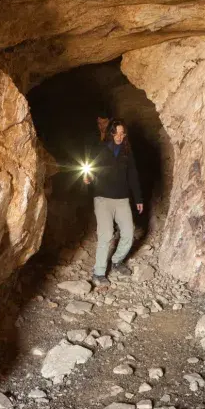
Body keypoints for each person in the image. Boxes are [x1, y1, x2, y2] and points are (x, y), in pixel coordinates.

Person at [83, 119, 143, 285]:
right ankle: (99, 273)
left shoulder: (127, 152)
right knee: (106, 234)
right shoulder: (100, 149)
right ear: (110, 133)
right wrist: (88, 180)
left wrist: (138, 198)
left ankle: (117, 261)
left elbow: (133, 175)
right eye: (116, 133)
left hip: (122, 199)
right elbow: (90, 169)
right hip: (102, 198)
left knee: (129, 234)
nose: (119, 136)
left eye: (122, 133)